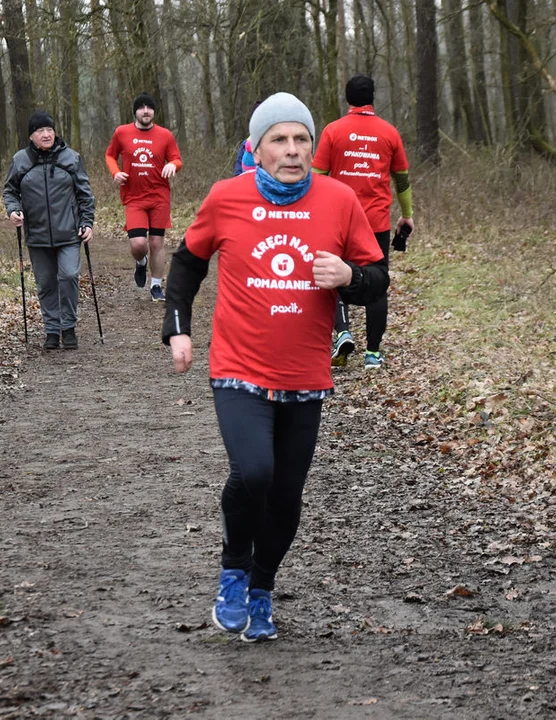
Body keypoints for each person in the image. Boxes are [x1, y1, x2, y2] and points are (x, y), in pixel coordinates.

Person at [162, 93, 388, 642]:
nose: (292, 151)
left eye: (301, 139)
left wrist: (350, 279)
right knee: (254, 473)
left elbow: (377, 280)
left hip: (306, 375)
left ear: (313, 145)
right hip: (238, 368)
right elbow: (188, 263)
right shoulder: (226, 198)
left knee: (287, 495)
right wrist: (177, 329)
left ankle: (262, 589)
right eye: (279, 140)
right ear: (257, 150)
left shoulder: (339, 200)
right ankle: (234, 570)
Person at [313, 74, 414, 370]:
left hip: (338, 220)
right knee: (377, 282)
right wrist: (406, 215)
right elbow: (402, 180)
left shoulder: (333, 131)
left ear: (348, 99)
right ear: (372, 98)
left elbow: (317, 176)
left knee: (333, 276)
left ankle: (343, 332)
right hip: (377, 222)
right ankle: (373, 353)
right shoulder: (389, 133)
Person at [3, 110, 95, 351]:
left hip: (69, 234)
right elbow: (10, 191)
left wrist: (87, 223)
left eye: (49, 129)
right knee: (45, 284)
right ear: (31, 136)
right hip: (37, 235)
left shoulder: (71, 158)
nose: (46, 134)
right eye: (40, 131)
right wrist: (13, 210)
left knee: (68, 275)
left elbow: (85, 194)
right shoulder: (20, 160)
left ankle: (68, 327)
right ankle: (52, 331)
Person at [105, 93, 183, 302]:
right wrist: (115, 172)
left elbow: (177, 159)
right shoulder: (122, 133)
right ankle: (140, 262)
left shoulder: (165, 135)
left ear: (154, 112)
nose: (146, 111)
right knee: (139, 244)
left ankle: (156, 286)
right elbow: (110, 155)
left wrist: (171, 165)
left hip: (159, 196)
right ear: (135, 112)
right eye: (141, 107)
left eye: (149, 107)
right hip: (134, 197)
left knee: (157, 242)